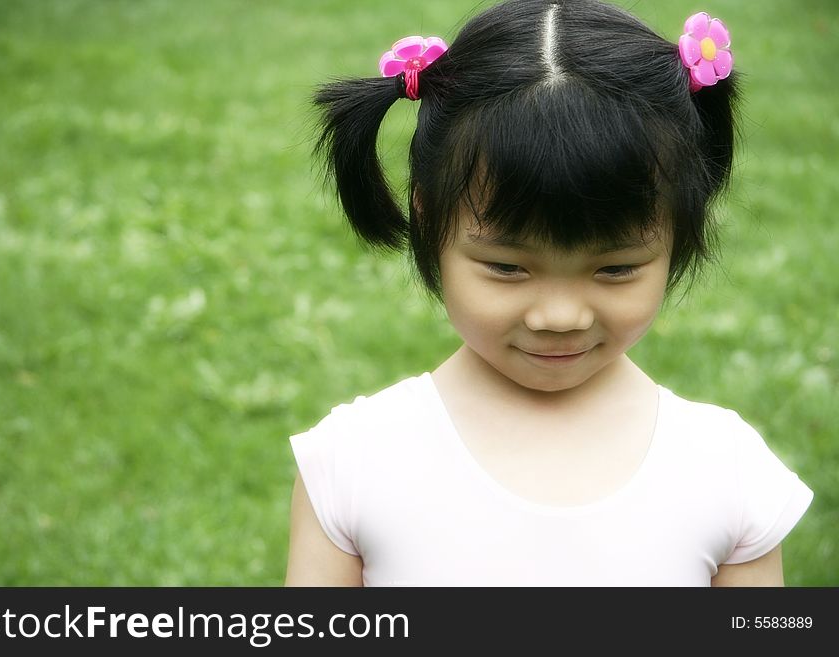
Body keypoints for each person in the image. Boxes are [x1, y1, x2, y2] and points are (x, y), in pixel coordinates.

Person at [284, 0, 813, 586]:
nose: (559, 315)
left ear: (680, 233)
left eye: (615, 269)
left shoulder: (726, 473)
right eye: (507, 267)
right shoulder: (355, 463)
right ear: (428, 219)